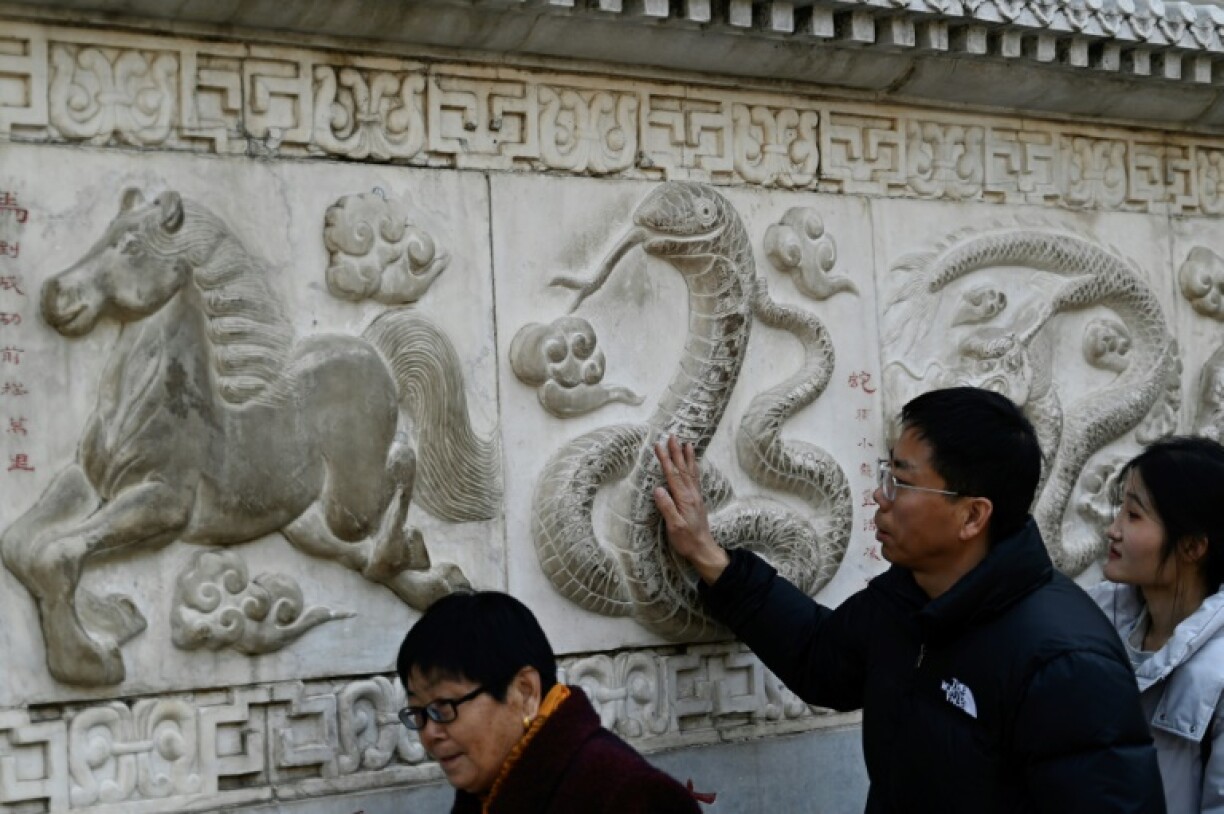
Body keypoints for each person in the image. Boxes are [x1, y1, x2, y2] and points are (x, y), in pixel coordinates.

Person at [653, 386, 1165, 813]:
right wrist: (709, 557)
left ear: (972, 516)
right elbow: (821, 658)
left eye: (900, 481)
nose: (880, 496)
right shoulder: (909, 598)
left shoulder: (1064, 660)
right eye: (885, 475)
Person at [395, 590, 704, 814]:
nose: (429, 734)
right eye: (420, 712)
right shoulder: (485, 792)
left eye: (443, 707)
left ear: (525, 692)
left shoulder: (630, 796)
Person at [1090, 436, 1224, 812]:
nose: (1112, 530)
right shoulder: (1092, 618)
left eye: (1133, 516)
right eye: (1119, 512)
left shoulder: (1218, 674)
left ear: (1192, 547)